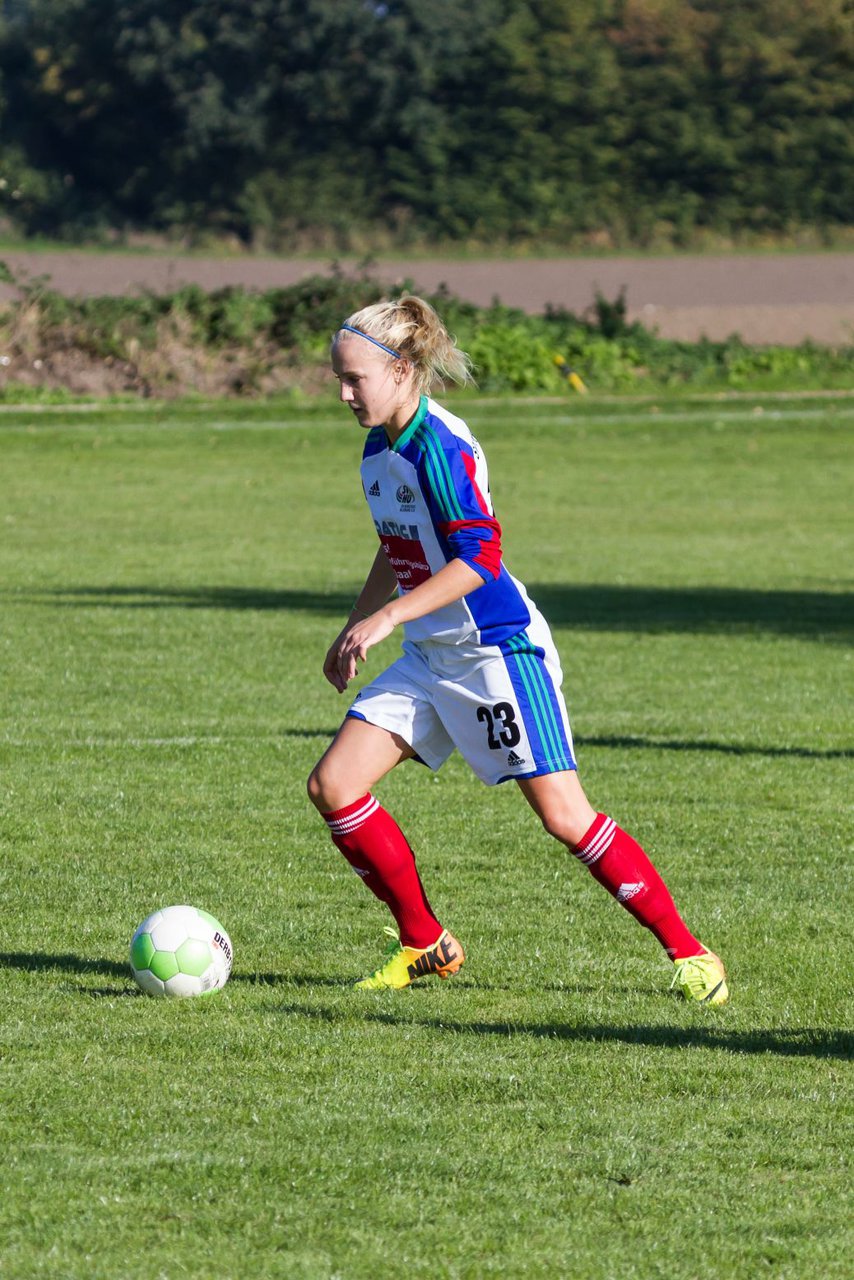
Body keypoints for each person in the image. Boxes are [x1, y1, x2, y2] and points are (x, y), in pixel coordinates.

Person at [307, 295, 728, 1005]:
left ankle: (690, 954)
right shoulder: (379, 449)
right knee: (335, 787)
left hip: (496, 652)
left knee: (566, 817)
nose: (345, 395)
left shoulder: (442, 448)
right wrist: (356, 622)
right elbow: (398, 545)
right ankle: (424, 943)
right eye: (339, 380)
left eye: (356, 380)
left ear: (404, 369)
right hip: (432, 654)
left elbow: (480, 557)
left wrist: (384, 623)